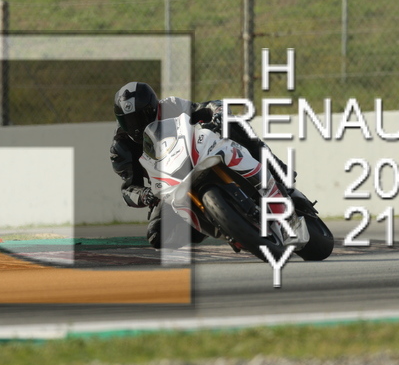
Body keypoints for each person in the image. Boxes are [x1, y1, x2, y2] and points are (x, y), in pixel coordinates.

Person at [109, 81, 292, 249]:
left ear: (154, 106)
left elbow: (206, 107)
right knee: (157, 235)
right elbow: (128, 189)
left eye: (141, 116)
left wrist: (217, 113)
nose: (136, 126)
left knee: (231, 124)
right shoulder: (121, 147)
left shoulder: (171, 106)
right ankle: (221, 224)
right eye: (129, 121)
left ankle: (274, 168)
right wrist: (145, 195)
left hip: (195, 154)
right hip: (168, 186)